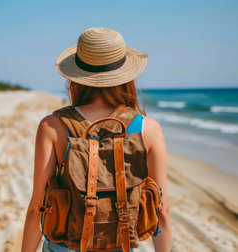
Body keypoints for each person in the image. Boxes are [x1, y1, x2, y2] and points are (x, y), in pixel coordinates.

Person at [21, 27, 172, 252]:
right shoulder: (148, 129)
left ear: (75, 78)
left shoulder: (52, 126)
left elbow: (38, 209)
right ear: (126, 76)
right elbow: (161, 211)